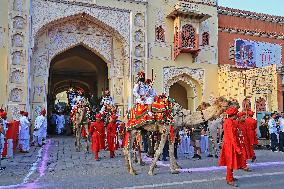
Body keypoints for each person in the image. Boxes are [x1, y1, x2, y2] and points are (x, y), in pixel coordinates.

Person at [219, 107, 242, 187]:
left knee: (230, 162)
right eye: (237, 114)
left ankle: (229, 177)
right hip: (230, 145)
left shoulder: (228, 121)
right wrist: (237, 148)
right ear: (234, 115)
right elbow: (232, 137)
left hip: (229, 144)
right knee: (230, 162)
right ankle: (229, 179)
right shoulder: (229, 122)